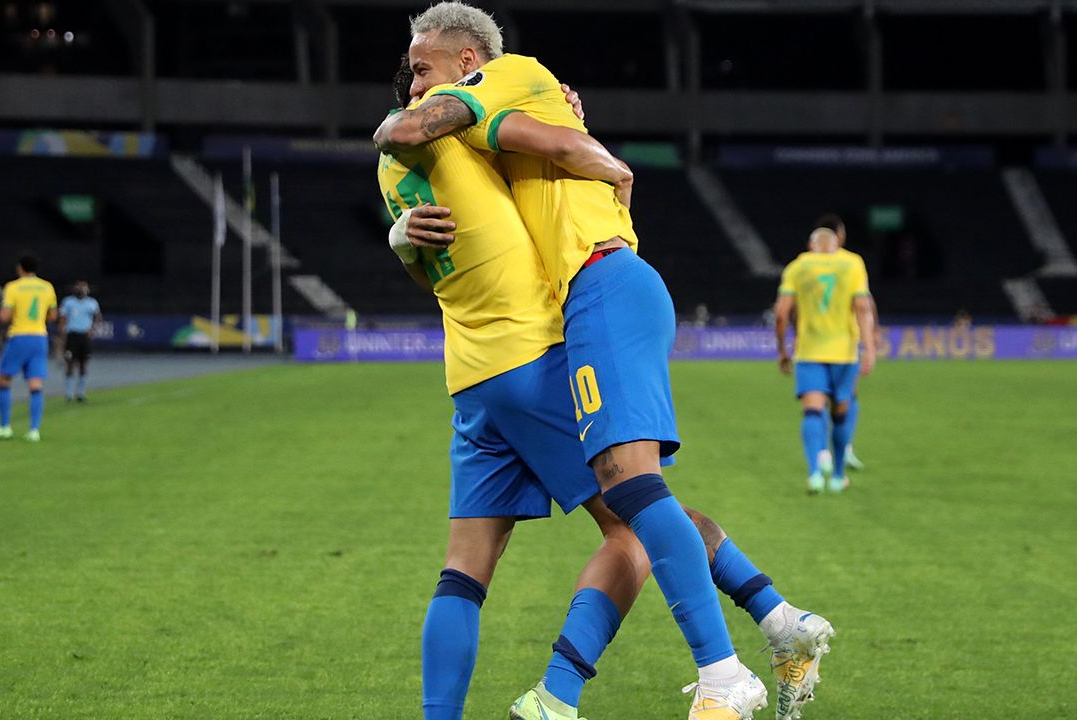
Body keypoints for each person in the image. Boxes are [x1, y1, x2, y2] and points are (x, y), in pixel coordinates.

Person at [375, 6, 833, 719]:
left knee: (470, 567)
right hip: (529, 357)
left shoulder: (454, 123)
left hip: (475, 375)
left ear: (471, 64)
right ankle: (738, 648)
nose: (413, 79)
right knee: (639, 516)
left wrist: (403, 232)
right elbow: (525, 141)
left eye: (423, 66)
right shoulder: (445, 131)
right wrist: (600, 154)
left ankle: (759, 632)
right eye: (410, 74)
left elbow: (503, 155)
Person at [774, 226, 877, 494]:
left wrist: (782, 350)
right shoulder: (852, 263)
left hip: (809, 351)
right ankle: (839, 475)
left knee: (812, 411)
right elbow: (863, 307)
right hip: (844, 353)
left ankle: (814, 474)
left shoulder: (798, 266)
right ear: (836, 244)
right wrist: (870, 347)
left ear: (811, 245)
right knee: (841, 414)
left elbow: (781, 313)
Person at [0, 254, 57, 442]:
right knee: (35, 384)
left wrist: (1, 313)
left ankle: (5, 427)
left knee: (4, 379)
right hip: (40, 338)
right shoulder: (47, 287)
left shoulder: (13, 287)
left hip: (19, 336)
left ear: (20, 268)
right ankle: (34, 430)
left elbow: (5, 316)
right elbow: (52, 316)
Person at [821, 213, 873, 473]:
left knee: (815, 402)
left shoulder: (805, 263)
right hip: (844, 344)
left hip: (811, 346)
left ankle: (820, 455)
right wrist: (871, 340)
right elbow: (864, 303)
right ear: (839, 236)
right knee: (846, 398)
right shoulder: (852, 262)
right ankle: (844, 452)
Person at [59, 280, 101, 402]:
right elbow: (63, 318)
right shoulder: (68, 302)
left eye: (83, 288)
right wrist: (62, 334)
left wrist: (93, 329)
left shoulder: (92, 303)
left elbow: (98, 317)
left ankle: (81, 393)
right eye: (78, 287)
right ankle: (69, 393)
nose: (80, 290)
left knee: (84, 364)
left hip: (85, 336)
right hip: (72, 335)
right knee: (70, 363)